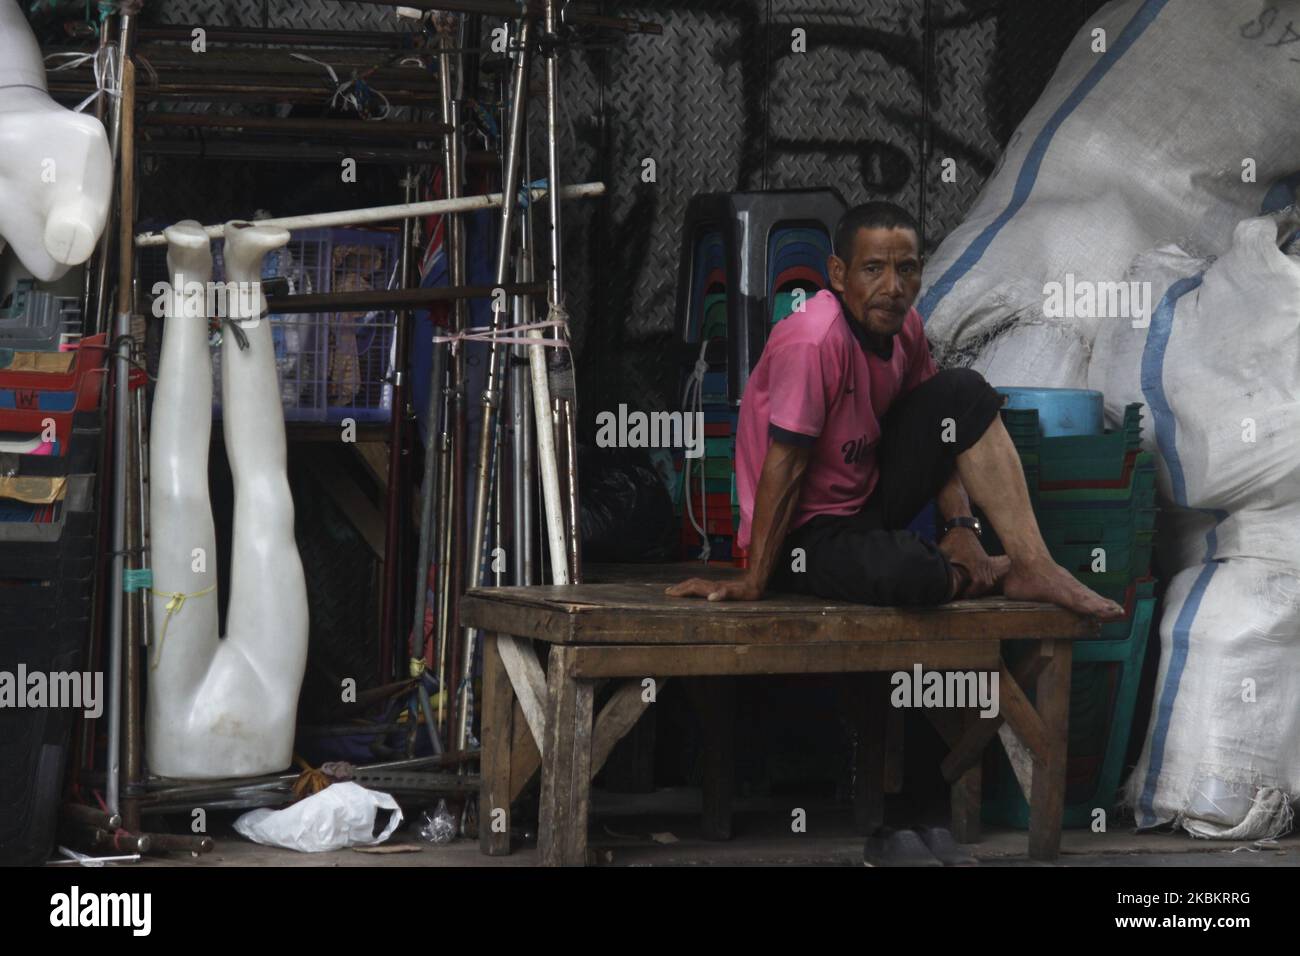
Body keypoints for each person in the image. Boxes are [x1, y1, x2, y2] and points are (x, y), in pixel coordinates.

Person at [667, 201, 1125, 621]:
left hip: (867, 498)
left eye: (905, 269)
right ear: (839, 274)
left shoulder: (905, 328)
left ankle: (1032, 565)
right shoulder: (813, 340)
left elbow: (944, 432)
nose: (892, 288)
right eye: (873, 270)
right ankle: (970, 574)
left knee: (963, 391)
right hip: (801, 534)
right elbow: (785, 465)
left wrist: (962, 525)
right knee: (906, 569)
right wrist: (753, 580)